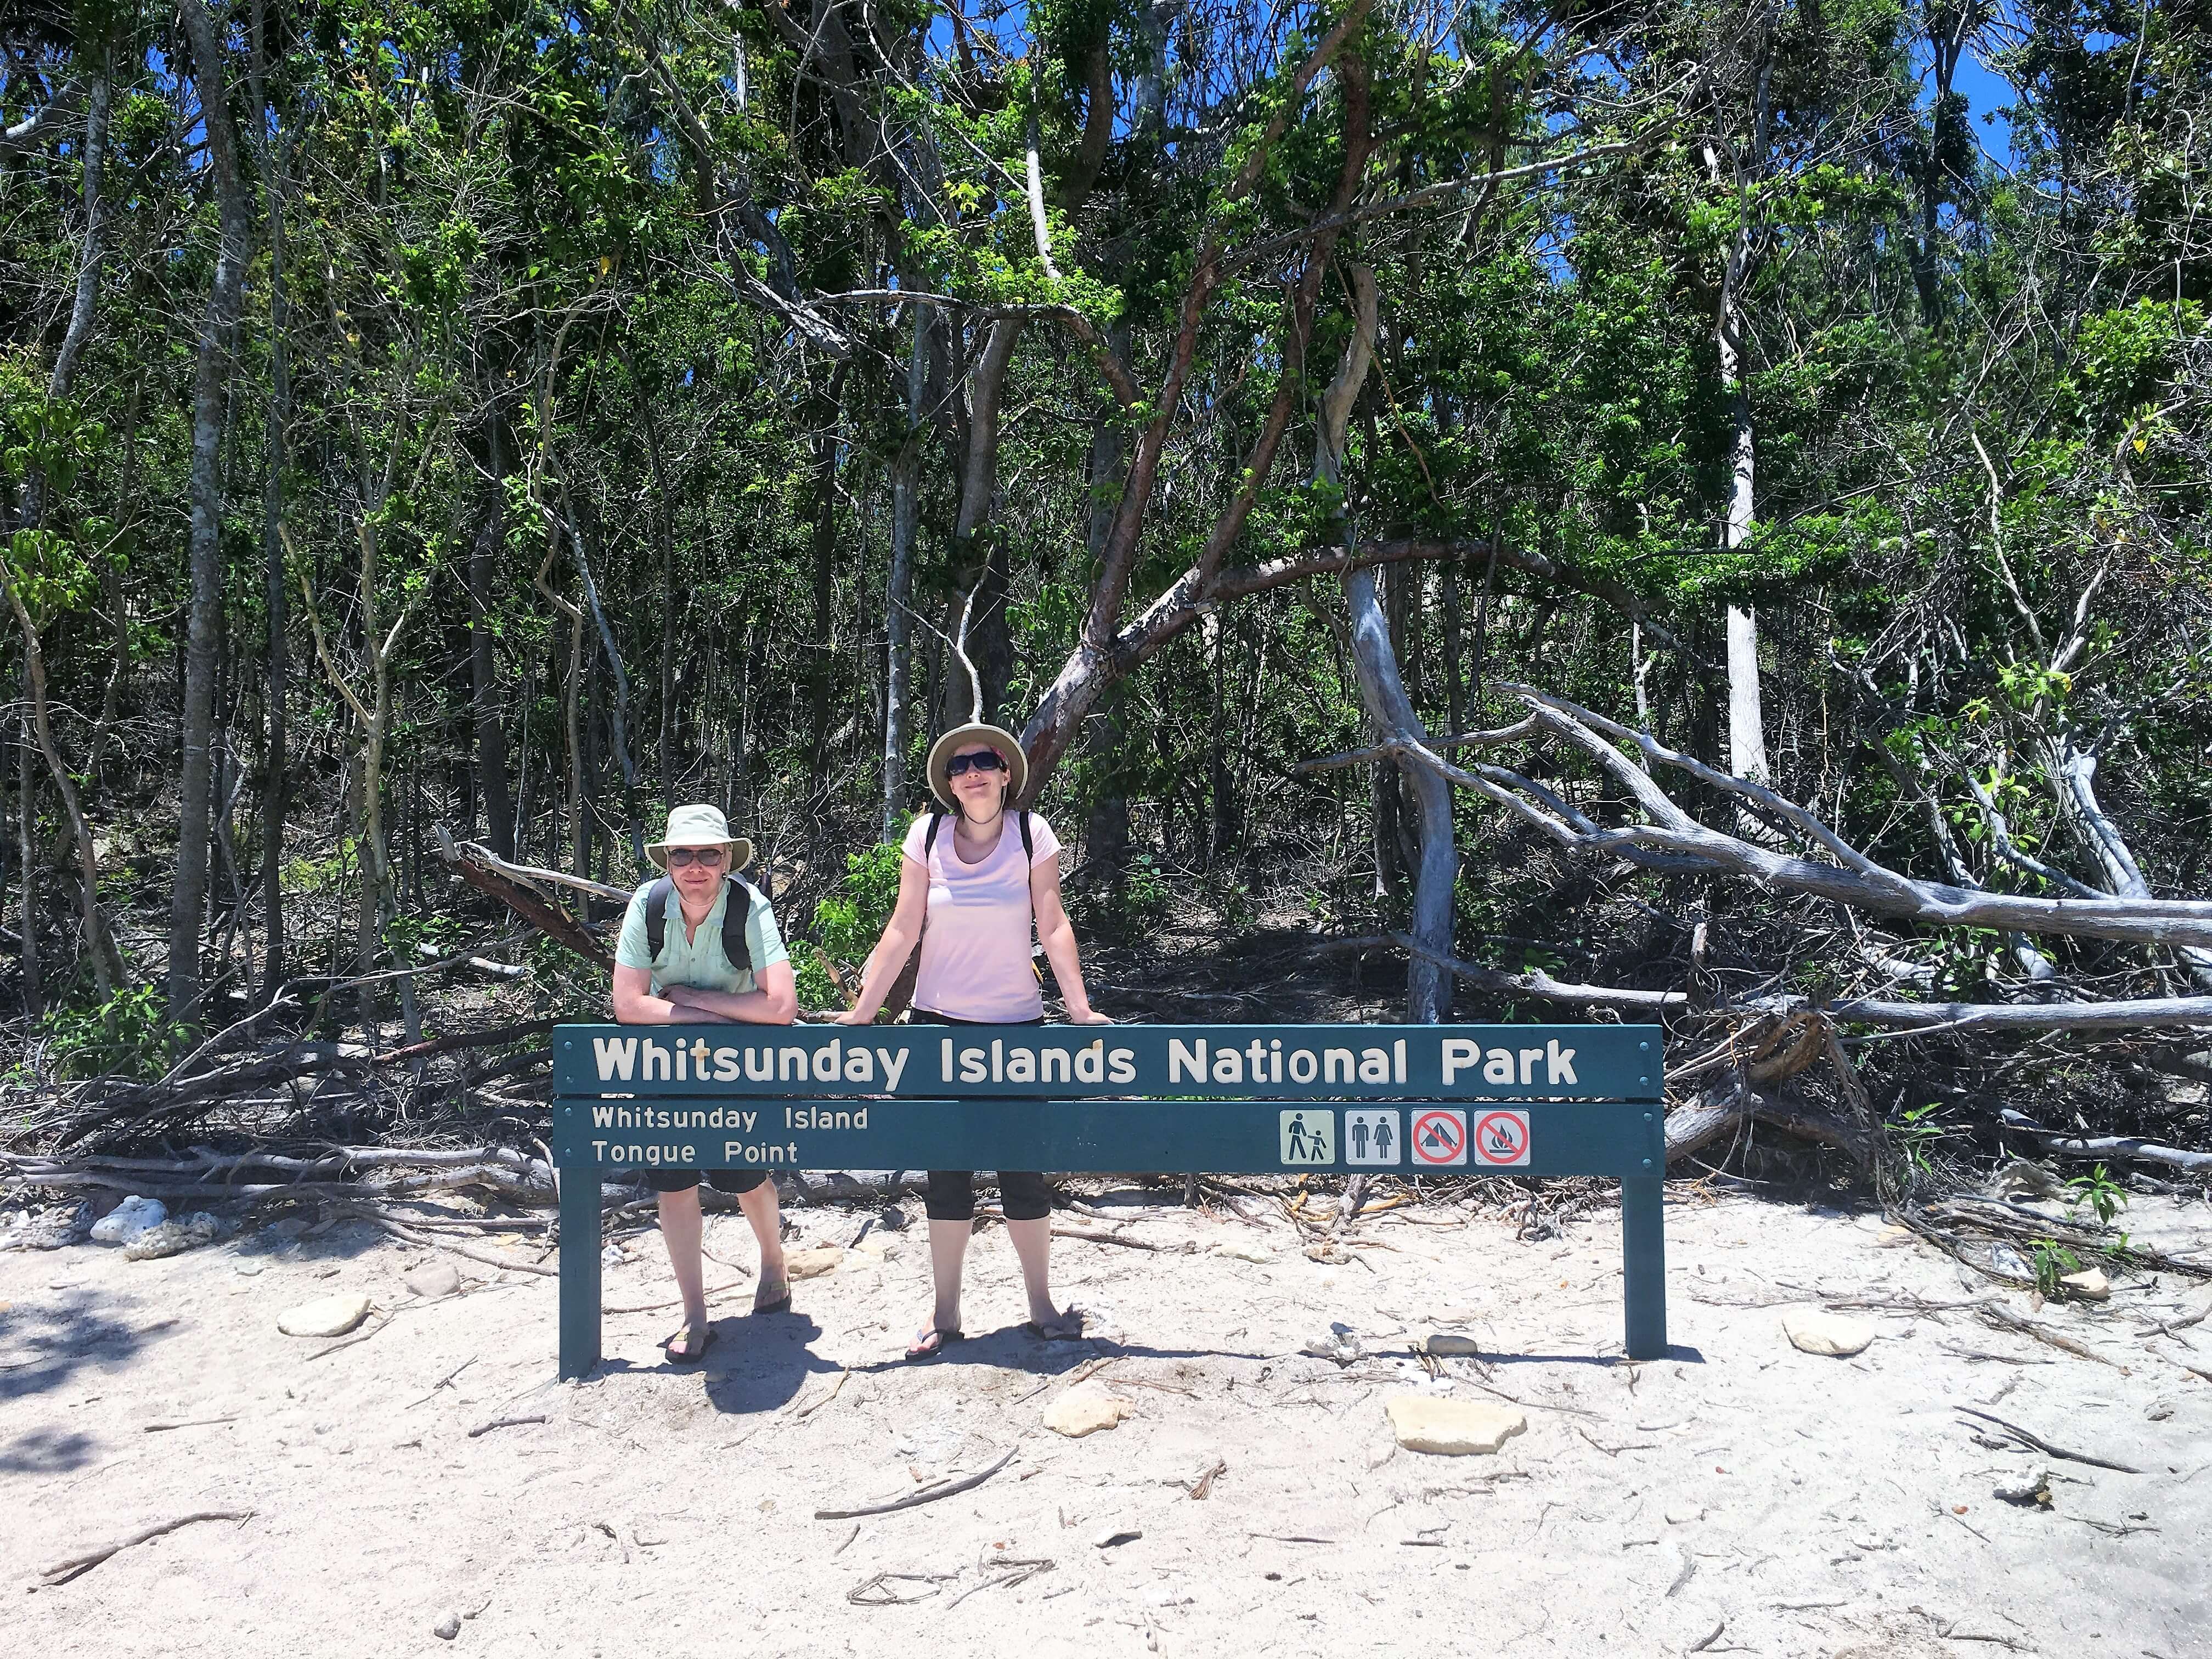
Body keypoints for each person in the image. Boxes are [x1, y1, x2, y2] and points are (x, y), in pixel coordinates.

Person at [837, 719, 1110, 1359]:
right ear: (949, 785)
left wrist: (1079, 1009)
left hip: (1016, 1027)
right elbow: (902, 928)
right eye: (959, 768)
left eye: (985, 761)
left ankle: (1041, 1305)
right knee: (947, 1177)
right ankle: (945, 1312)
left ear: (1007, 772)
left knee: (1024, 1174)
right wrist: (862, 1015)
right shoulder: (925, 835)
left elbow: (1053, 921)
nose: (973, 773)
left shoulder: (1031, 833)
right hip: (935, 1026)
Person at [610, 804, 798, 1363]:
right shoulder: (648, 905)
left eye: (708, 854)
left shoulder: (748, 906)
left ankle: (773, 1261)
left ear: (726, 860)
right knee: (674, 1182)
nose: (695, 866)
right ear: (668, 860)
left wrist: (693, 1000)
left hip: (736, 1065)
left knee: (742, 1174)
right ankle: (694, 1313)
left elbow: (783, 1005)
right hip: (668, 1064)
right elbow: (627, 1004)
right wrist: (718, 1018)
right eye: (683, 854)